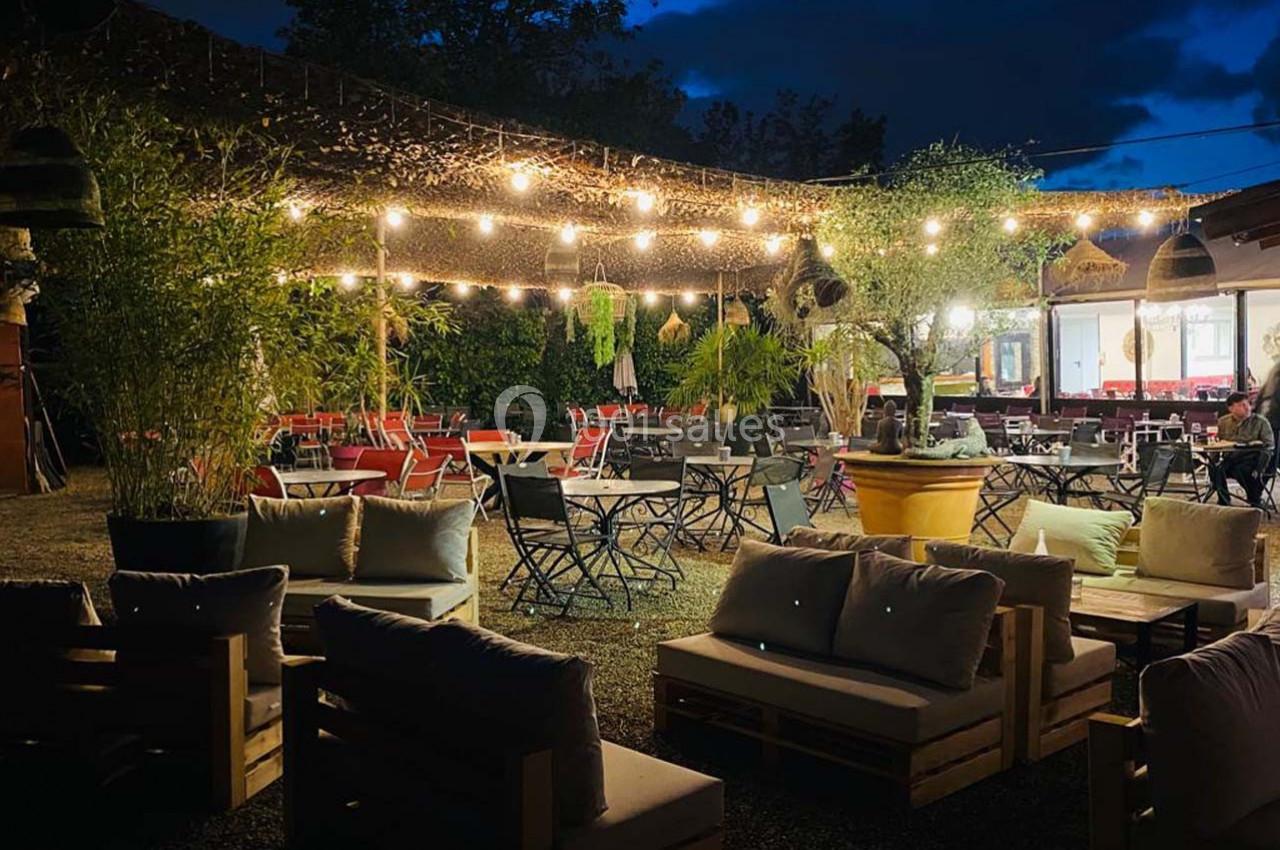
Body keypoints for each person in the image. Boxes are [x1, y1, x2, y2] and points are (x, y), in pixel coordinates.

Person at [1212, 391, 1274, 508]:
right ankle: (1224, 500)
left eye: (1247, 404)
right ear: (1231, 408)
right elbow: (1217, 443)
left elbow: (1269, 445)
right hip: (1230, 458)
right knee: (1215, 469)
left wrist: (1260, 468)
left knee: (1241, 470)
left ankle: (1254, 499)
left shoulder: (1260, 422)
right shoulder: (1223, 422)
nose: (1247, 408)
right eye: (1241, 405)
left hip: (1252, 459)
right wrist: (1213, 460)